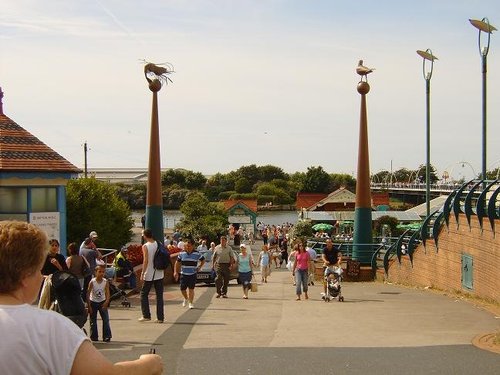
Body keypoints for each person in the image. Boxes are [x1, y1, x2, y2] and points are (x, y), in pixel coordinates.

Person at [0, 220, 163, 374]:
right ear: (26, 275)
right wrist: (149, 364)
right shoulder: (51, 327)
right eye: (39, 270)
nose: (42, 277)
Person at [139, 228, 165, 323]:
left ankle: (146, 315)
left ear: (145, 236)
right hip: (159, 272)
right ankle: (160, 318)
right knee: (159, 296)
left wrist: (142, 273)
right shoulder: (159, 243)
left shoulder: (145, 246)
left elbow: (145, 260)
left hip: (149, 273)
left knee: (143, 294)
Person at [173, 237, 205, 309]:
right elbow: (177, 263)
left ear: (193, 246)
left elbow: (203, 260)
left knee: (191, 289)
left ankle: (191, 303)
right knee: (182, 289)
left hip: (192, 274)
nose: (187, 247)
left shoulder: (197, 253)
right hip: (183, 274)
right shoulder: (182, 253)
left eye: (189, 246)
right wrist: (175, 272)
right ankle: (186, 298)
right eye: (186, 246)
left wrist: (199, 267)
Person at [87, 264, 112, 342]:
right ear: (95, 272)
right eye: (99, 272)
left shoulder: (105, 282)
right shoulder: (92, 282)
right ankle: (94, 336)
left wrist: (107, 301)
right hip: (93, 302)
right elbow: (88, 293)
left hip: (102, 302)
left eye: (103, 272)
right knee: (93, 320)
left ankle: (107, 336)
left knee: (106, 319)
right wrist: (89, 305)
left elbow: (107, 292)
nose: (101, 273)